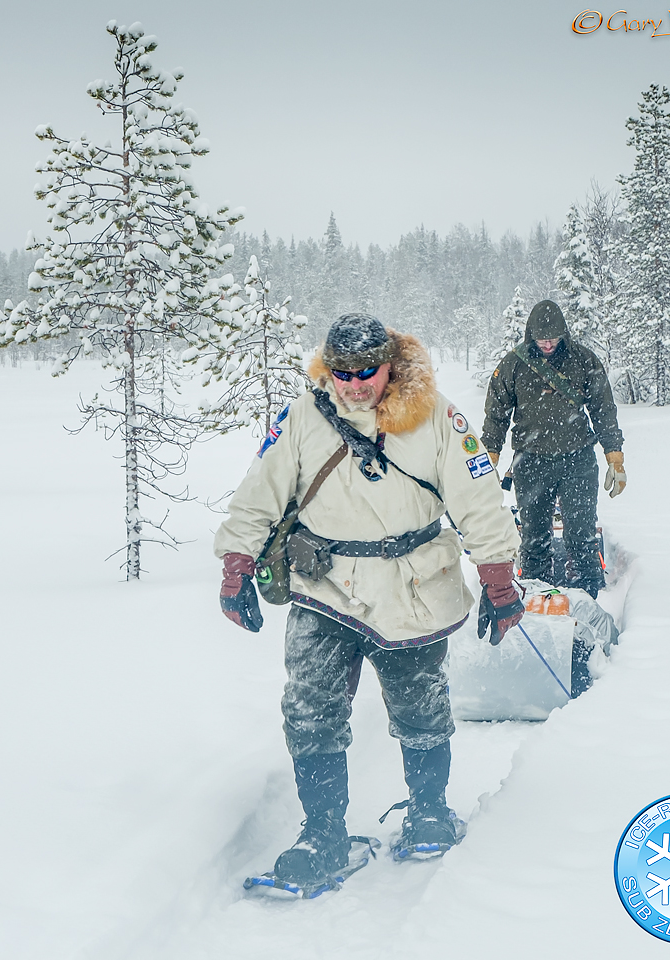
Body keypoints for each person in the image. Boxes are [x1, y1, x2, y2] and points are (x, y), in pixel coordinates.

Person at [214, 313, 522, 890]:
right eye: (342, 373)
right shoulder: (303, 415)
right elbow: (260, 490)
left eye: (366, 372)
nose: (354, 385)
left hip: (412, 586)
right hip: (323, 586)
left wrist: (499, 582)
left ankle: (429, 810)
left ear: (390, 365)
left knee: (418, 706)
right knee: (310, 711)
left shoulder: (437, 416)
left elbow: (478, 499)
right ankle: (323, 834)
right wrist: (236, 564)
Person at [481, 300, 626, 599]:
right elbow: (496, 413)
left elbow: (603, 409)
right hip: (531, 462)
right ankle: (537, 600)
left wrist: (614, 455)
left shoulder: (583, 360)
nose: (547, 344)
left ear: (563, 334)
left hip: (578, 460)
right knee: (533, 539)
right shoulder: (513, 364)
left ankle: (587, 600)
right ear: (530, 335)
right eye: (541, 339)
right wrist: (489, 455)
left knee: (581, 536)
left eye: (553, 338)